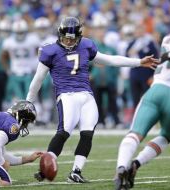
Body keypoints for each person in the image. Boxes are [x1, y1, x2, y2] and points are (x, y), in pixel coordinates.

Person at [26, 16, 158, 183]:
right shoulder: (49, 51)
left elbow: (110, 60)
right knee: (64, 132)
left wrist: (138, 62)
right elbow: (38, 79)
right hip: (66, 96)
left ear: (79, 37)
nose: (67, 42)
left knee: (87, 134)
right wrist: (29, 101)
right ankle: (46, 168)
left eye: (71, 39)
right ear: (59, 34)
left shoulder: (86, 45)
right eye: (65, 38)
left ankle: (76, 172)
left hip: (87, 95)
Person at [114, 2, 170, 190]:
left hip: (155, 91)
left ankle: (121, 167)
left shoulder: (168, 38)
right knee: (167, 135)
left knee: (134, 134)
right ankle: (136, 164)